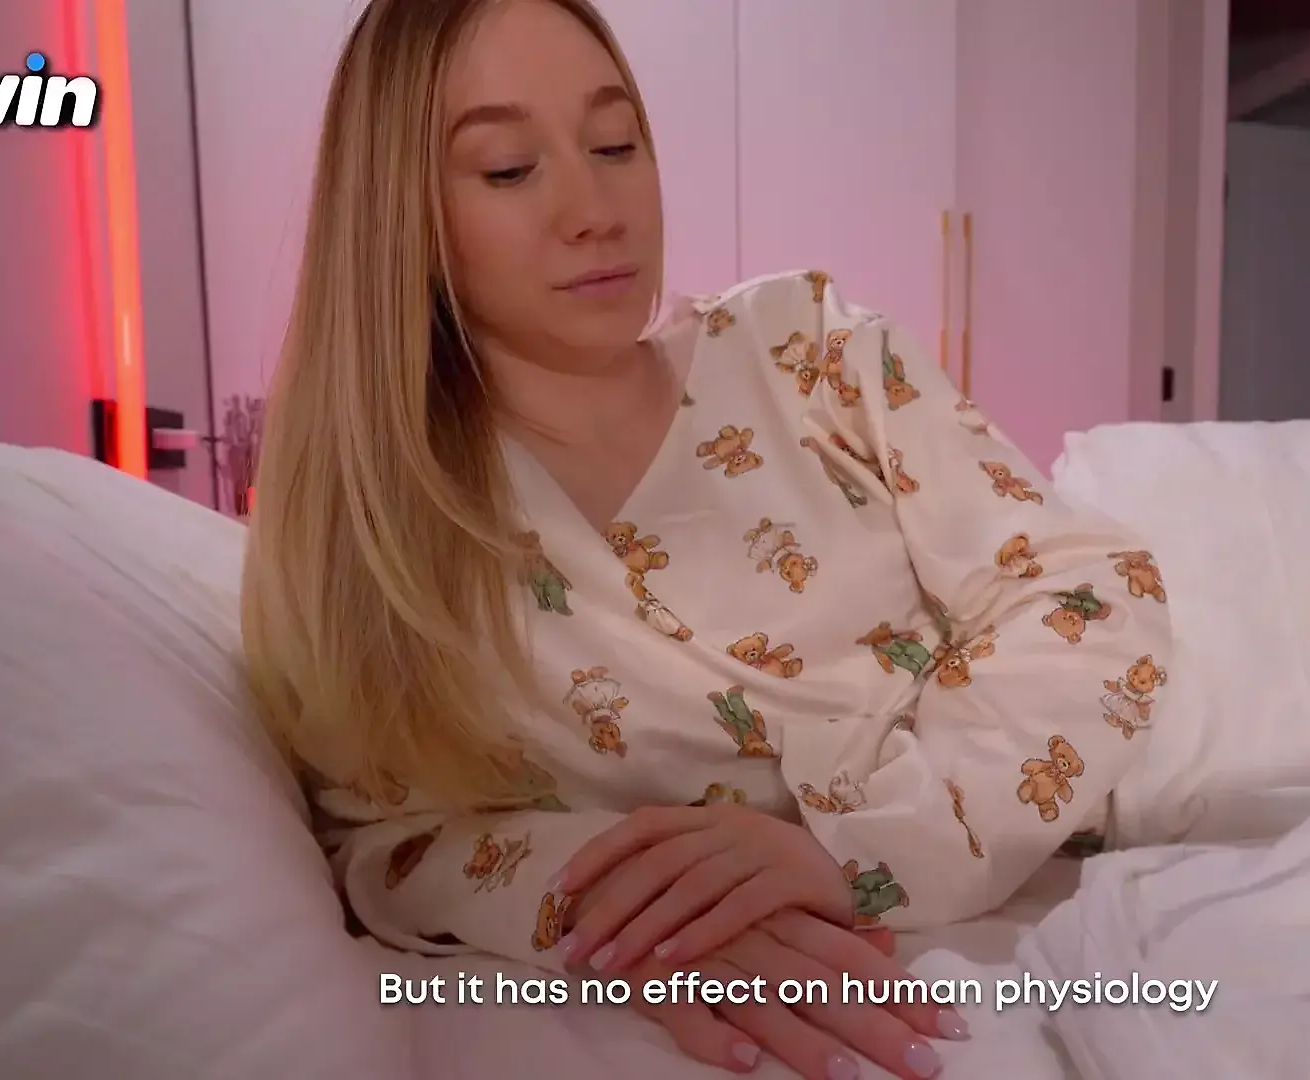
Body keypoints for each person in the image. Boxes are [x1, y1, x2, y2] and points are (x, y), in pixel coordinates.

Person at [240, 1, 1174, 1077]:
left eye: (614, 145)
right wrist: (633, 904)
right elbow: (383, 838)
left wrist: (858, 846)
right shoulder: (389, 534)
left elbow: (1087, 594)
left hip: (1154, 761)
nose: (595, 211)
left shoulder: (811, 355)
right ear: (399, 212)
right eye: (508, 169)